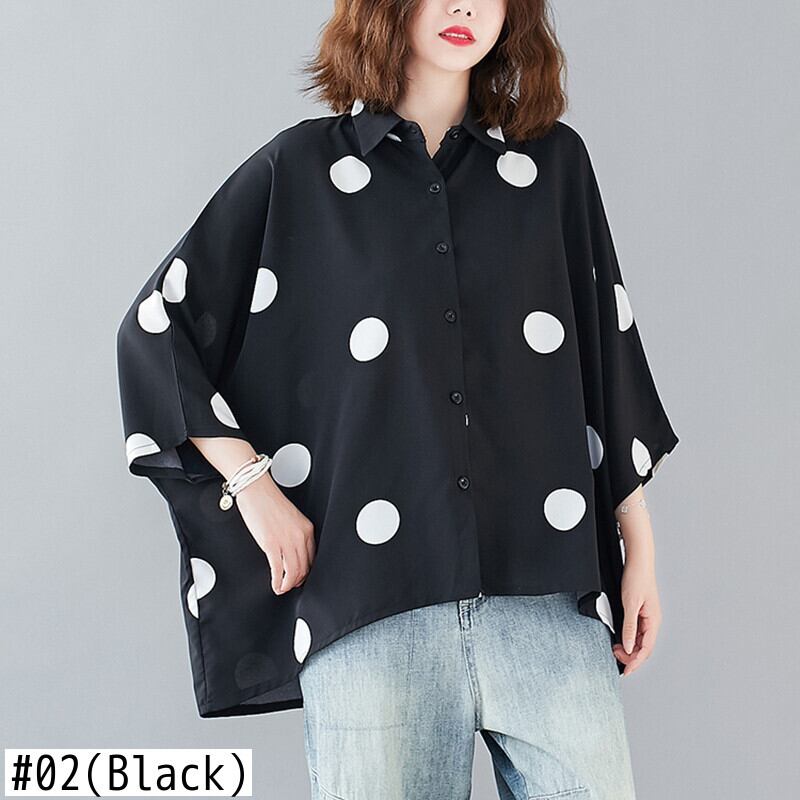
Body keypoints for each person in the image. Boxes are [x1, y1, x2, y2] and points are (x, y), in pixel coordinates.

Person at [116, 0, 680, 797]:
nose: (464, 6)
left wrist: (639, 545)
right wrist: (253, 487)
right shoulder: (300, 171)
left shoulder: (555, 165)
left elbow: (603, 357)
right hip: (372, 613)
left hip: (546, 604)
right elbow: (156, 328)